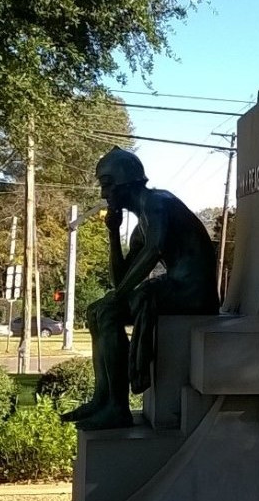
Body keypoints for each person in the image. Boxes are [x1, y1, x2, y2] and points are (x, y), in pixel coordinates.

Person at [61, 147, 218, 430]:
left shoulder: (158, 203)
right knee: (96, 310)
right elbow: (120, 278)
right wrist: (113, 234)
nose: (103, 194)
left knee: (108, 311)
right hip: (174, 287)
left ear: (126, 183)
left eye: (107, 185)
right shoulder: (141, 225)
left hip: (194, 292)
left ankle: (117, 407)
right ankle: (103, 398)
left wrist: (118, 297)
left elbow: (153, 251)